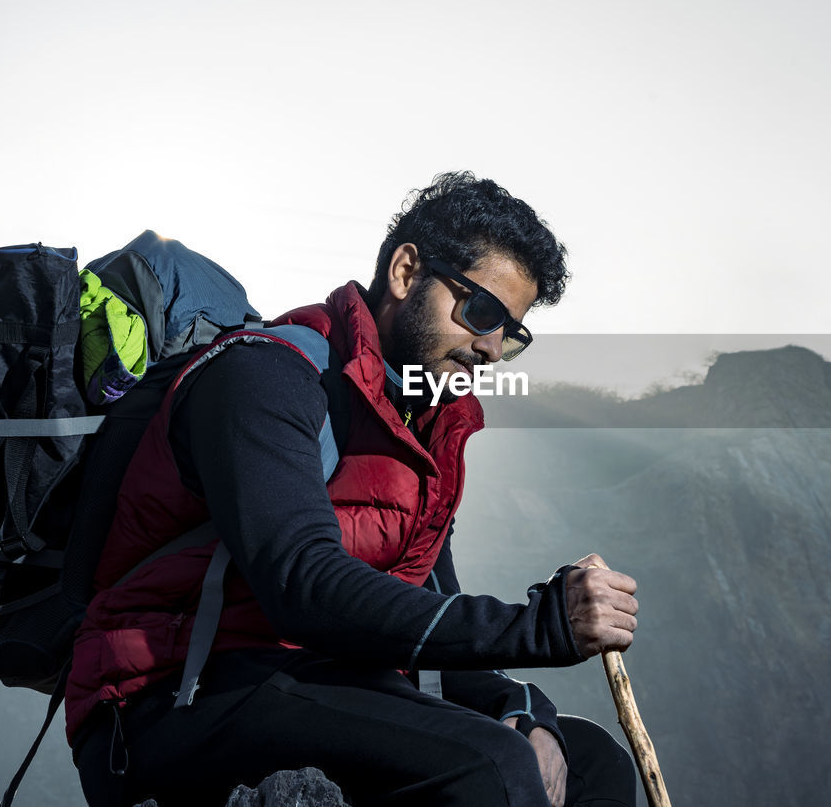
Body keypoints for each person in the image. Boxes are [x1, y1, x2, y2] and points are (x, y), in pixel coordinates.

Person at [65, 172, 641, 807]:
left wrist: (522, 705)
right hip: (169, 695)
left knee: (588, 763)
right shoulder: (266, 374)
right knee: (492, 768)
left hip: (313, 680)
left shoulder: (423, 428)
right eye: (482, 313)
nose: (491, 347)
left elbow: (428, 600)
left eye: (513, 333)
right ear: (404, 271)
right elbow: (301, 585)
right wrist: (539, 629)